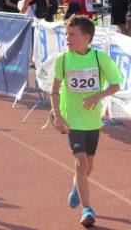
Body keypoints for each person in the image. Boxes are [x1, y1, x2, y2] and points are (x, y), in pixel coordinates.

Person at [50, 15, 122, 228]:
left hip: (92, 121)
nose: (67, 38)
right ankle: (87, 209)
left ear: (86, 37)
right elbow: (54, 90)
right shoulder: (62, 59)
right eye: (66, 34)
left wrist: (97, 95)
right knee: (81, 163)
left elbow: (116, 85)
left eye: (72, 35)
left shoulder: (100, 59)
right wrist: (57, 114)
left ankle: (76, 187)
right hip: (72, 120)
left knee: (88, 166)